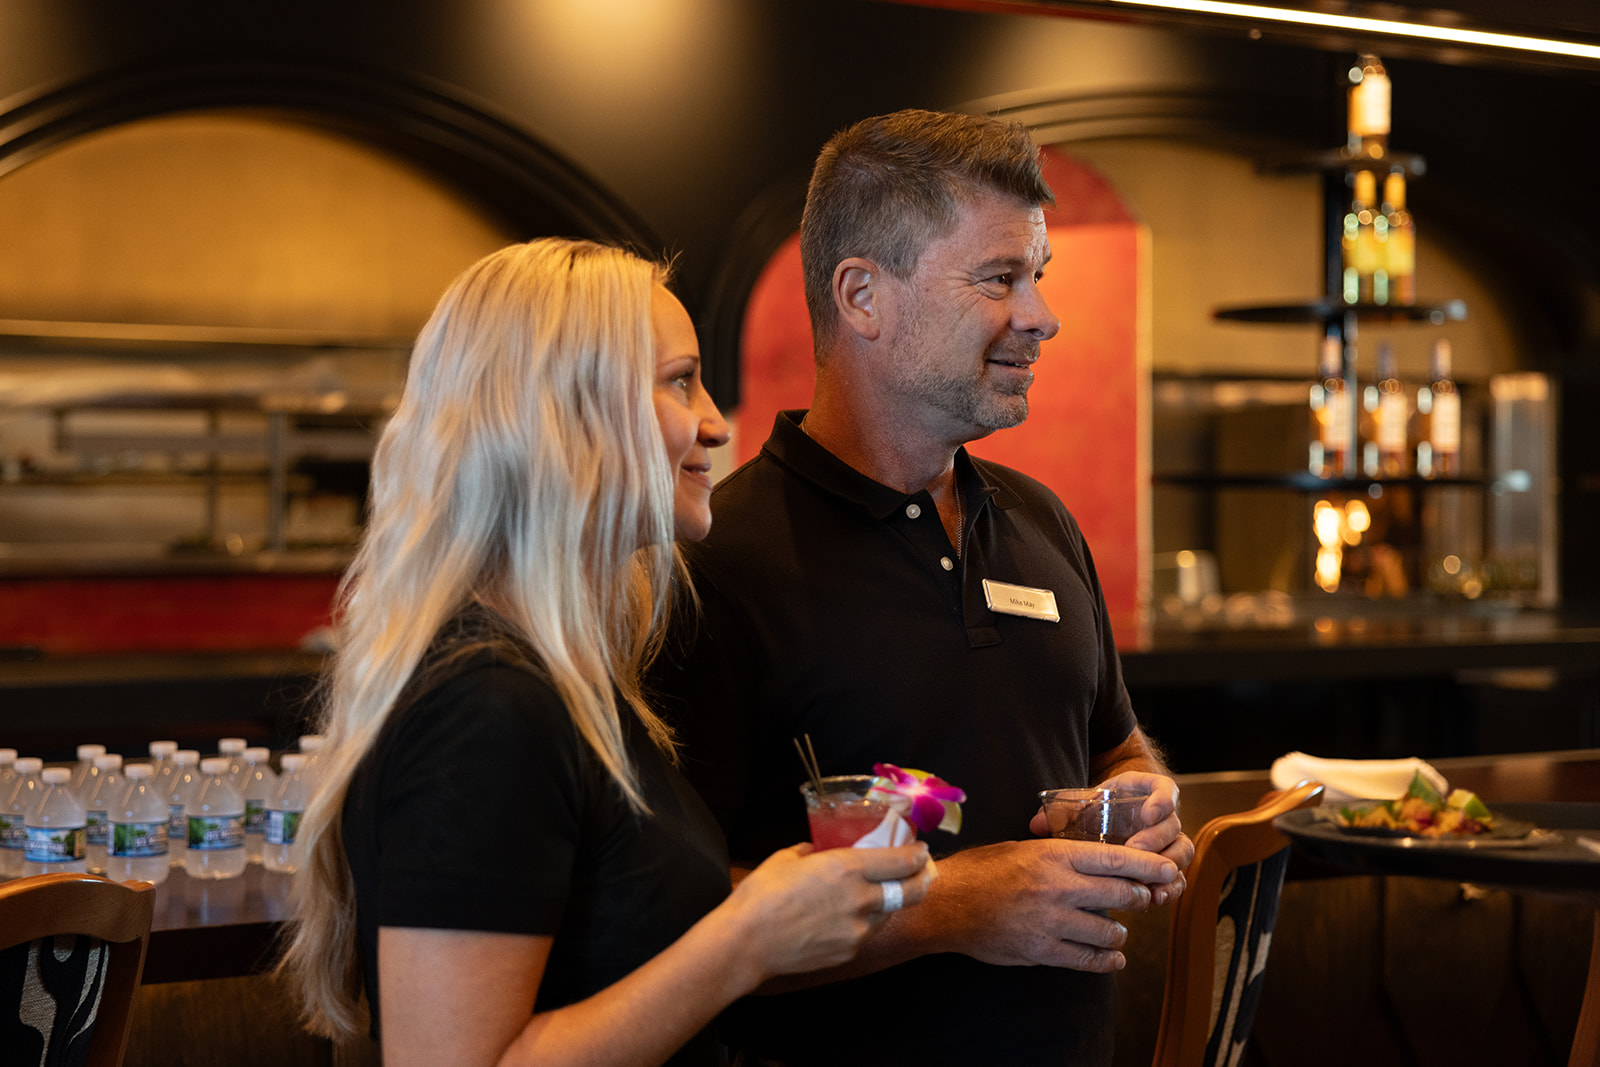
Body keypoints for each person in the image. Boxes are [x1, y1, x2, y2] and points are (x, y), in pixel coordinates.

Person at [277, 238, 934, 1067]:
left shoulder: (568, 677)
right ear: (564, 409)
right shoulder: (488, 701)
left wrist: (775, 906)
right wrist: (745, 940)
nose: (714, 422)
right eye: (678, 380)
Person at [652, 110, 1195, 1065]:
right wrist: (944, 910)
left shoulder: (1042, 521)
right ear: (862, 295)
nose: (1041, 315)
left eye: (1038, 279)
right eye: (999, 279)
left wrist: (1138, 800)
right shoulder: (715, 564)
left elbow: (1116, 745)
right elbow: (673, 929)